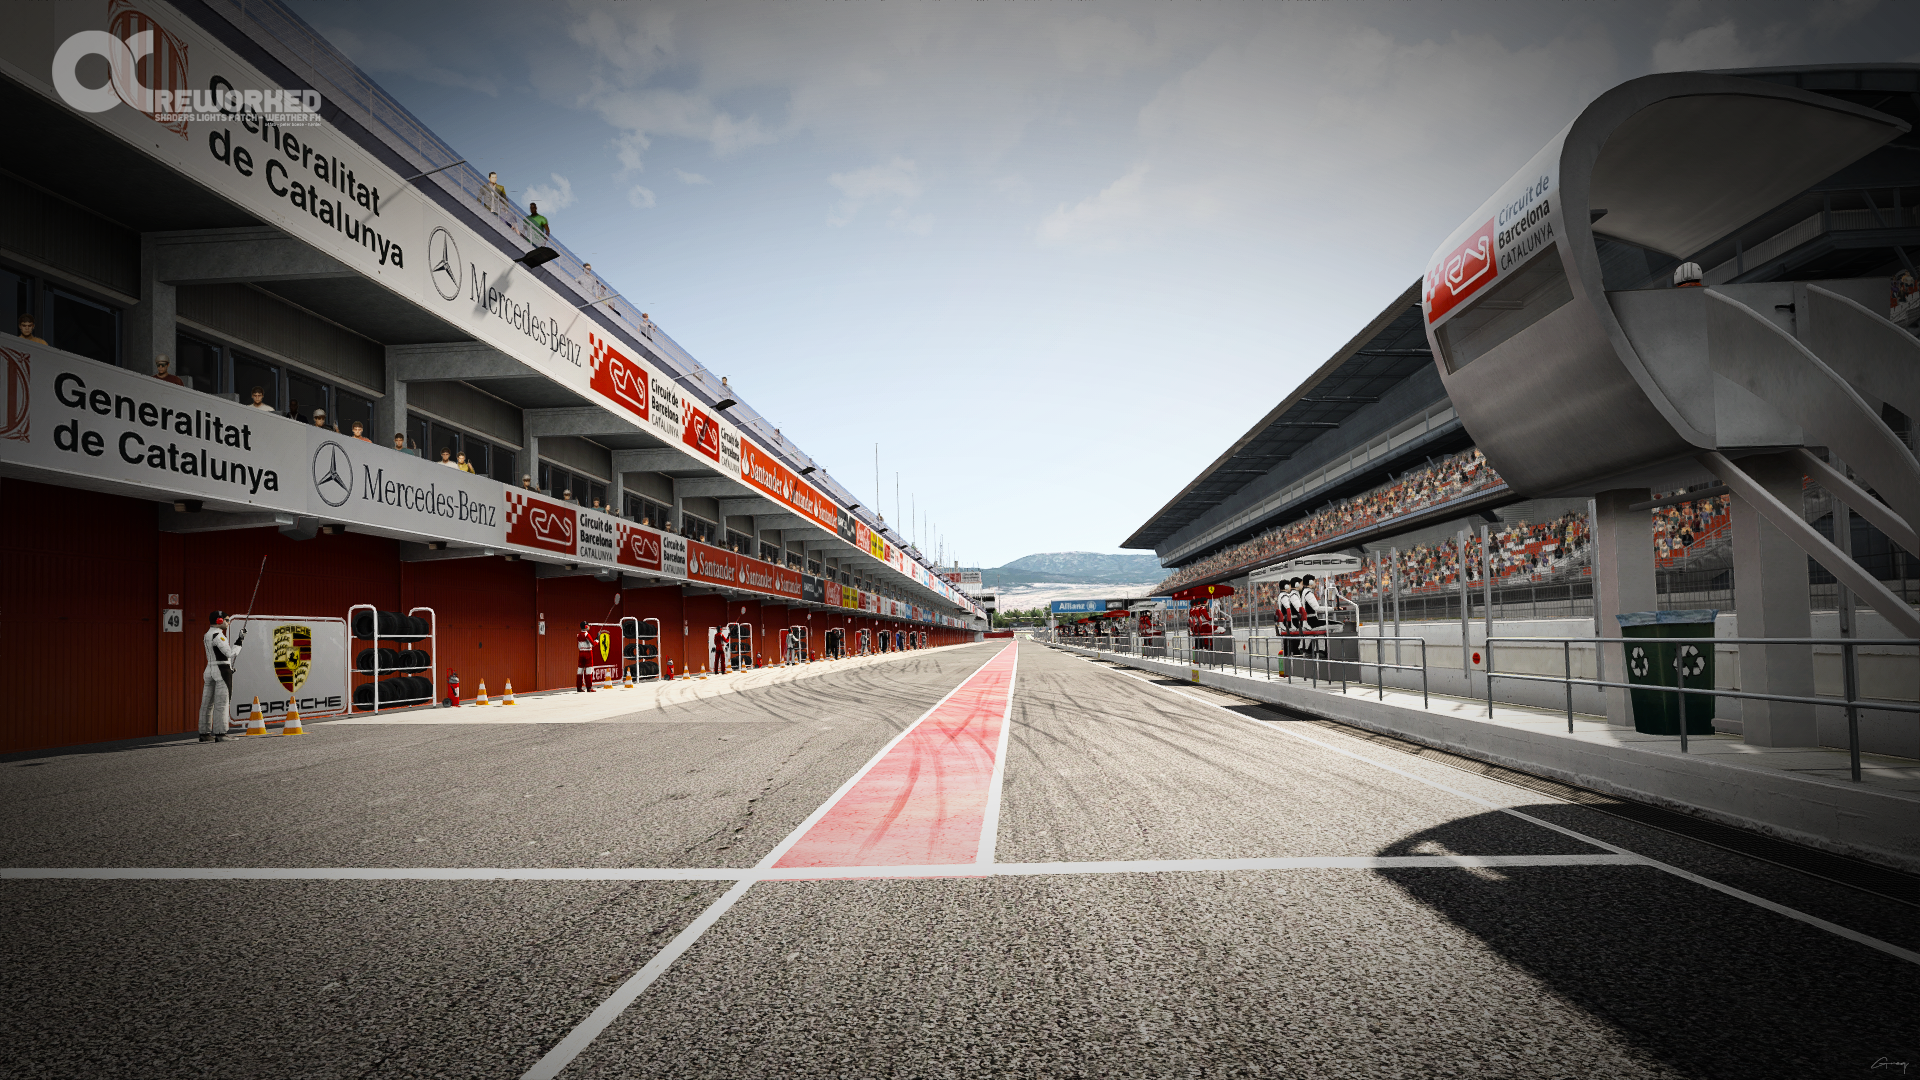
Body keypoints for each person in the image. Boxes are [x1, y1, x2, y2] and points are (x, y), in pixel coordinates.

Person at [199, 611, 241, 742]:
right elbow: (230, 653)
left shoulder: (207, 635)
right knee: (222, 703)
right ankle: (221, 733)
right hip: (221, 670)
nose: (228, 623)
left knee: (206, 703)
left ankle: (204, 733)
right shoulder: (218, 635)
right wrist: (239, 641)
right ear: (219, 621)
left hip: (209, 669)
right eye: (226, 620)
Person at [576, 621, 595, 692]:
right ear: (586, 626)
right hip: (588, 653)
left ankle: (579, 687)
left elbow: (578, 646)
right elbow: (593, 644)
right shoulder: (587, 634)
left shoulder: (578, 635)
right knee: (589, 670)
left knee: (580, 670)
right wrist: (597, 639)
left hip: (581, 653)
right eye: (588, 625)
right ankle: (589, 687)